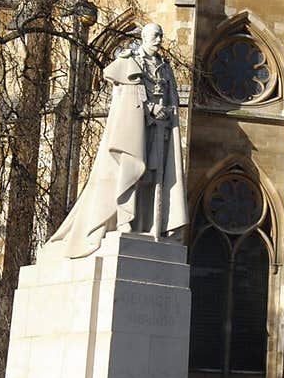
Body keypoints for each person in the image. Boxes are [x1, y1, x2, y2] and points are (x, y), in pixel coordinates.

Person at [44, 22, 188, 258]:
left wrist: (167, 112)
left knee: (151, 177)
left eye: (161, 35)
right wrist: (150, 108)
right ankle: (124, 220)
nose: (159, 39)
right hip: (134, 129)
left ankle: (147, 224)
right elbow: (113, 75)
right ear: (143, 37)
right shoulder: (132, 59)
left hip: (159, 129)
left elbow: (170, 96)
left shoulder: (164, 67)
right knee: (131, 171)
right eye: (155, 35)